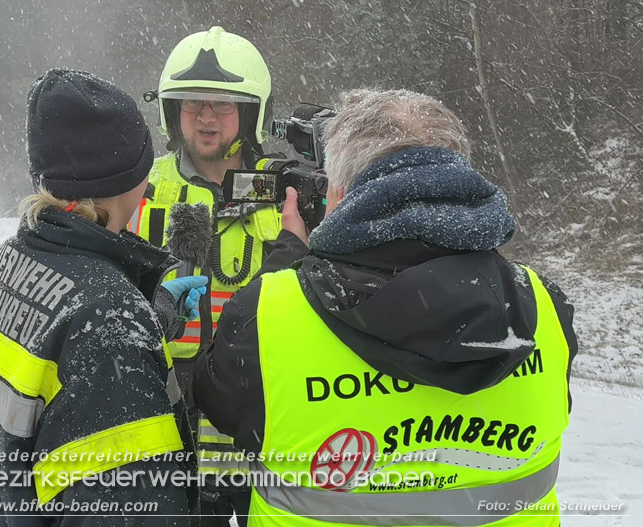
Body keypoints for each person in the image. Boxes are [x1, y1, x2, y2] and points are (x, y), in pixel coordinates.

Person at [194, 88, 578, 526]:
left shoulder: (268, 318)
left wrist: (289, 262)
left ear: (339, 191)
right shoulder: (545, 303)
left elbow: (218, 401)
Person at [0, 68, 205, 526]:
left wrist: (146, 317)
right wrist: (125, 330)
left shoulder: (7, 263)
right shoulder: (107, 322)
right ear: (132, 175)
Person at [130, 26, 304, 526]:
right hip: (173, 430)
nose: (206, 117)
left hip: (267, 427)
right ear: (172, 111)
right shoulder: (140, 189)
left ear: (251, 113)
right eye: (193, 103)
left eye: (223, 104)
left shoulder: (291, 193)